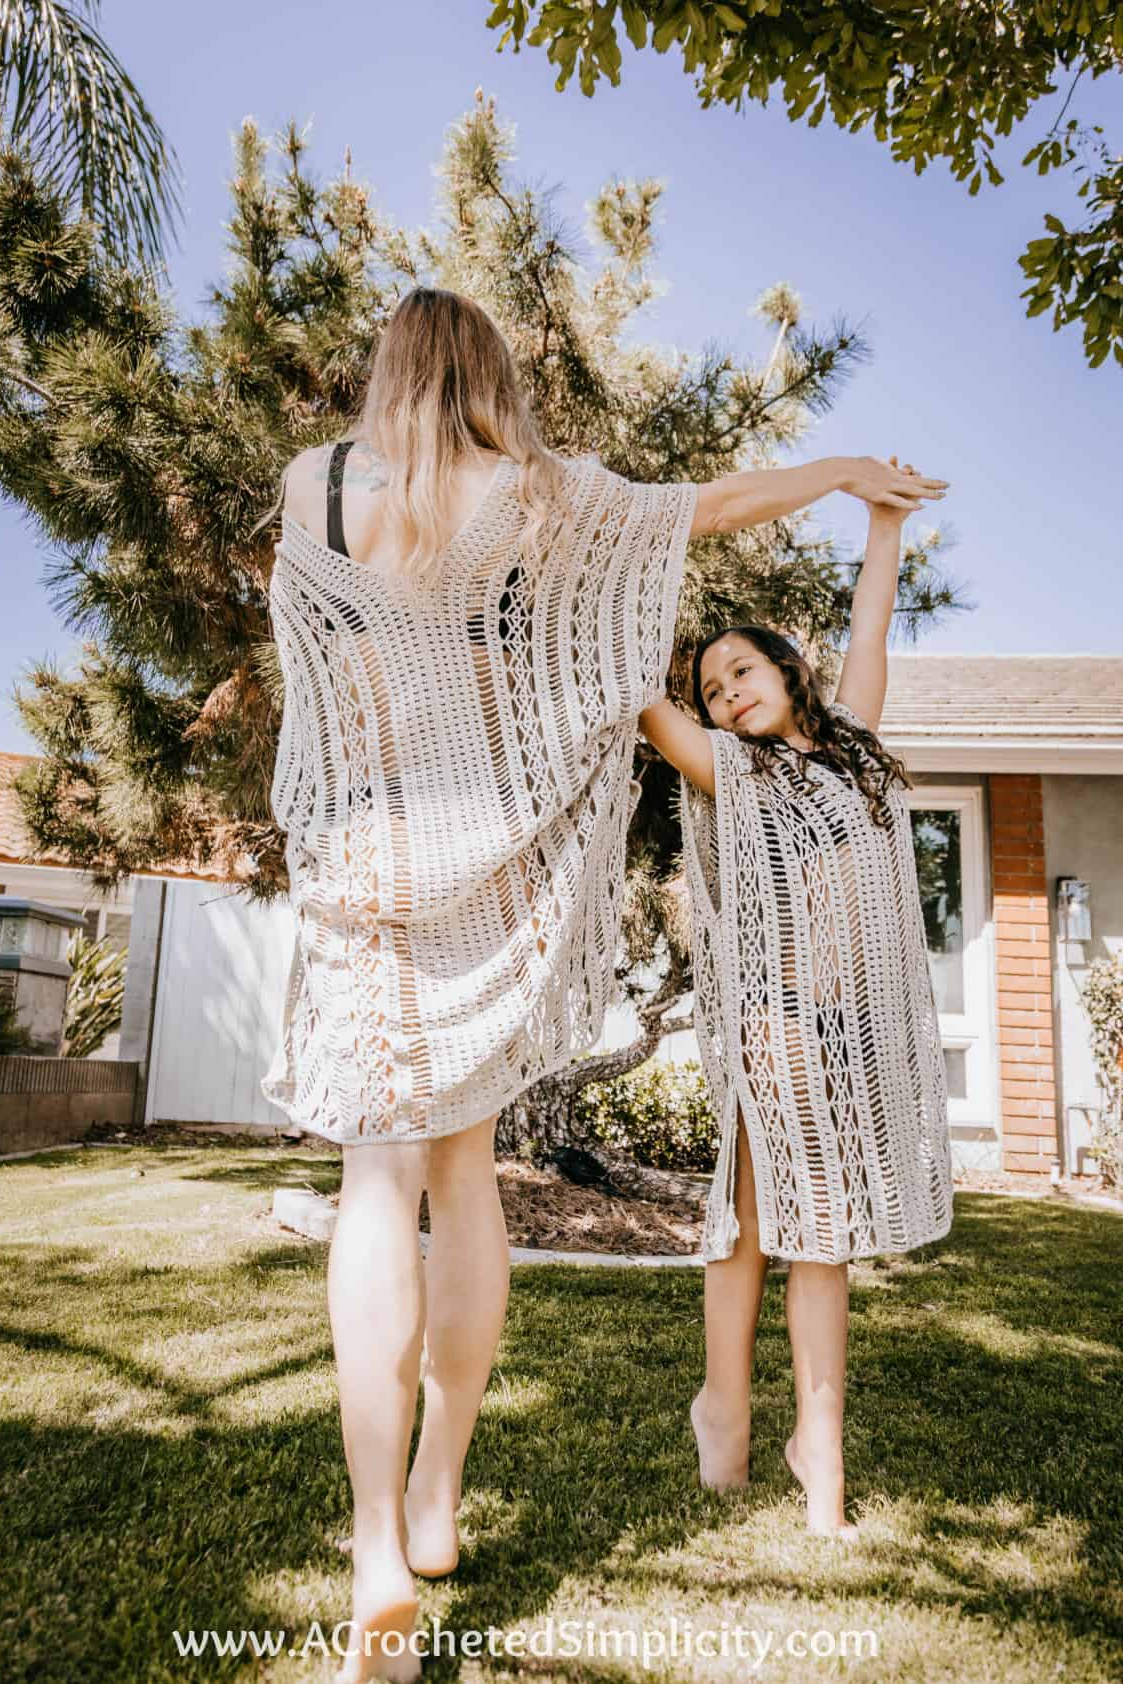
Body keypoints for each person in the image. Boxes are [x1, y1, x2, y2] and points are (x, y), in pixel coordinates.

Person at [262, 288, 947, 1678]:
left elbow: (338, 678)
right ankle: (445, 1483)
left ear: (388, 366)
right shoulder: (537, 491)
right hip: (487, 867)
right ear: (490, 373)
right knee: (463, 1183)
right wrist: (835, 476)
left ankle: (381, 1536)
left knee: (373, 1186)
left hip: (371, 863)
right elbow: (696, 511)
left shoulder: (318, 484)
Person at [638, 459, 954, 1540]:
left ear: (788, 665)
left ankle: (808, 1437)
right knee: (760, 1229)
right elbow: (647, 703)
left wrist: (880, 522)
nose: (726, 692)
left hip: (853, 1033)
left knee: (819, 1238)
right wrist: (611, 585)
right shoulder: (739, 769)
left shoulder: (854, 746)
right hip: (775, 1026)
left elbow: (871, 625)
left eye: (740, 671)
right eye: (713, 687)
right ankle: (731, 1412)